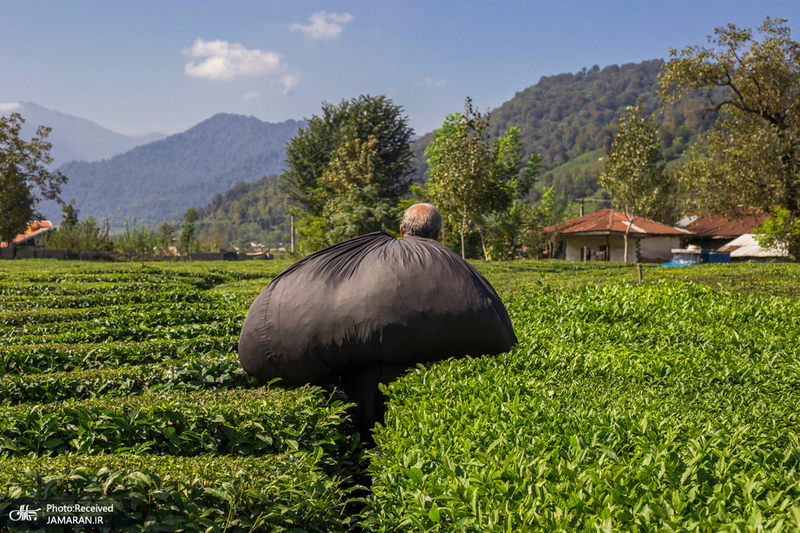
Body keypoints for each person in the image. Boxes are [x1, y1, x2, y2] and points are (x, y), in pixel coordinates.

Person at [341, 203, 443, 444]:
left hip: (366, 364)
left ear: (401, 230)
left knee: (364, 434)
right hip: (417, 372)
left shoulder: (374, 258)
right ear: (438, 235)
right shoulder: (448, 266)